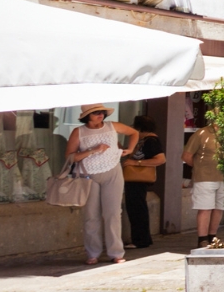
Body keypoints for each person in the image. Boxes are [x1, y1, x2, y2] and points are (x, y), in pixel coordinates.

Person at [65, 105, 137, 264]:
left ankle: (116, 252)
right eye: (96, 113)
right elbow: (70, 157)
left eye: (102, 112)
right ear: (87, 116)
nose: (100, 115)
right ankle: (92, 253)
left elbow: (134, 132)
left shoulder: (113, 126)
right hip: (87, 175)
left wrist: (129, 149)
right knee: (91, 215)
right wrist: (92, 150)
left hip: (113, 172)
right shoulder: (79, 132)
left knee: (113, 213)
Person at [120, 116, 166, 250]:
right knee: (136, 207)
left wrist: (136, 163)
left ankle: (140, 240)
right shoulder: (143, 141)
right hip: (135, 179)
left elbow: (161, 159)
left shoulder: (151, 141)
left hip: (138, 179)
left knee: (137, 208)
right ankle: (142, 238)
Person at [183, 109, 224, 247]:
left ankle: (212, 237)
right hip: (205, 177)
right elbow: (186, 156)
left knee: (219, 208)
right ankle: (202, 239)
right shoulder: (202, 133)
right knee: (205, 208)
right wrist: (199, 167)